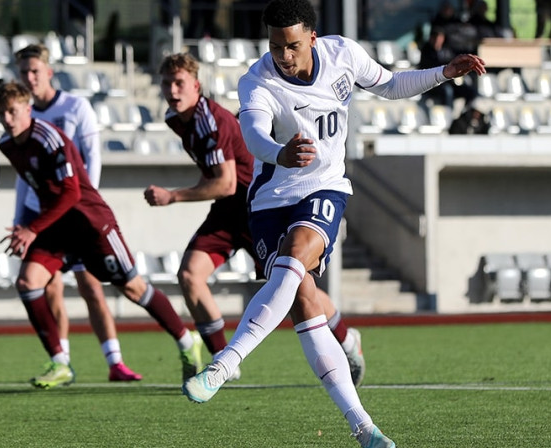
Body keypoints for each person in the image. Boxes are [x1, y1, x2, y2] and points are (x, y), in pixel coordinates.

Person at [181, 1, 485, 447]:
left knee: (296, 256)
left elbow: (390, 84)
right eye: (275, 46)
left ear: (313, 38)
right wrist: (277, 152)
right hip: (269, 201)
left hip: (324, 187)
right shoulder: (257, 80)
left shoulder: (343, 54)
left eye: (292, 45)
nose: (283, 55)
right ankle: (364, 428)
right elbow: (253, 134)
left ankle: (225, 363)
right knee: (305, 306)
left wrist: (442, 73)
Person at [148, 52, 367, 386]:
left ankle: (347, 338)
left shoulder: (210, 119)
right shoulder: (176, 118)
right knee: (190, 274)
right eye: (167, 83)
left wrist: (172, 196)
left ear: (196, 85)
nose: (172, 91)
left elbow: (226, 181)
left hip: (257, 206)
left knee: (298, 287)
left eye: (179, 83)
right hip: (227, 210)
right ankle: (224, 362)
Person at [0, 81, 203, 388]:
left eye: (12, 111)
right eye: (1, 113)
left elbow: (71, 192)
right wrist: (27, 226)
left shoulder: (48, 138)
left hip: (91, 223)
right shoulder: (7, 144)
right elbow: (40, 189)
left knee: (133, 289)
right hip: (56, 226)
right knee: (27, 282)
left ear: (27, 108)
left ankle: (187, 341)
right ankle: (60, 362)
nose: (7, 119)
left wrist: (31, 228)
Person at [12, 43, 143, 382]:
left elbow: (92, 158)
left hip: (77, 213)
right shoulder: (22, 115)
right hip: (42, 216)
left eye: (35, 71)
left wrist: (85, 209)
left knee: (91, 286)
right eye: (24, 72)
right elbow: (23, 177)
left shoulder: (75, 106)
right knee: (49, 287)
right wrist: (19, 219)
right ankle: (62, 362)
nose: (30, 78)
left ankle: (115, 362)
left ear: (49, 72)